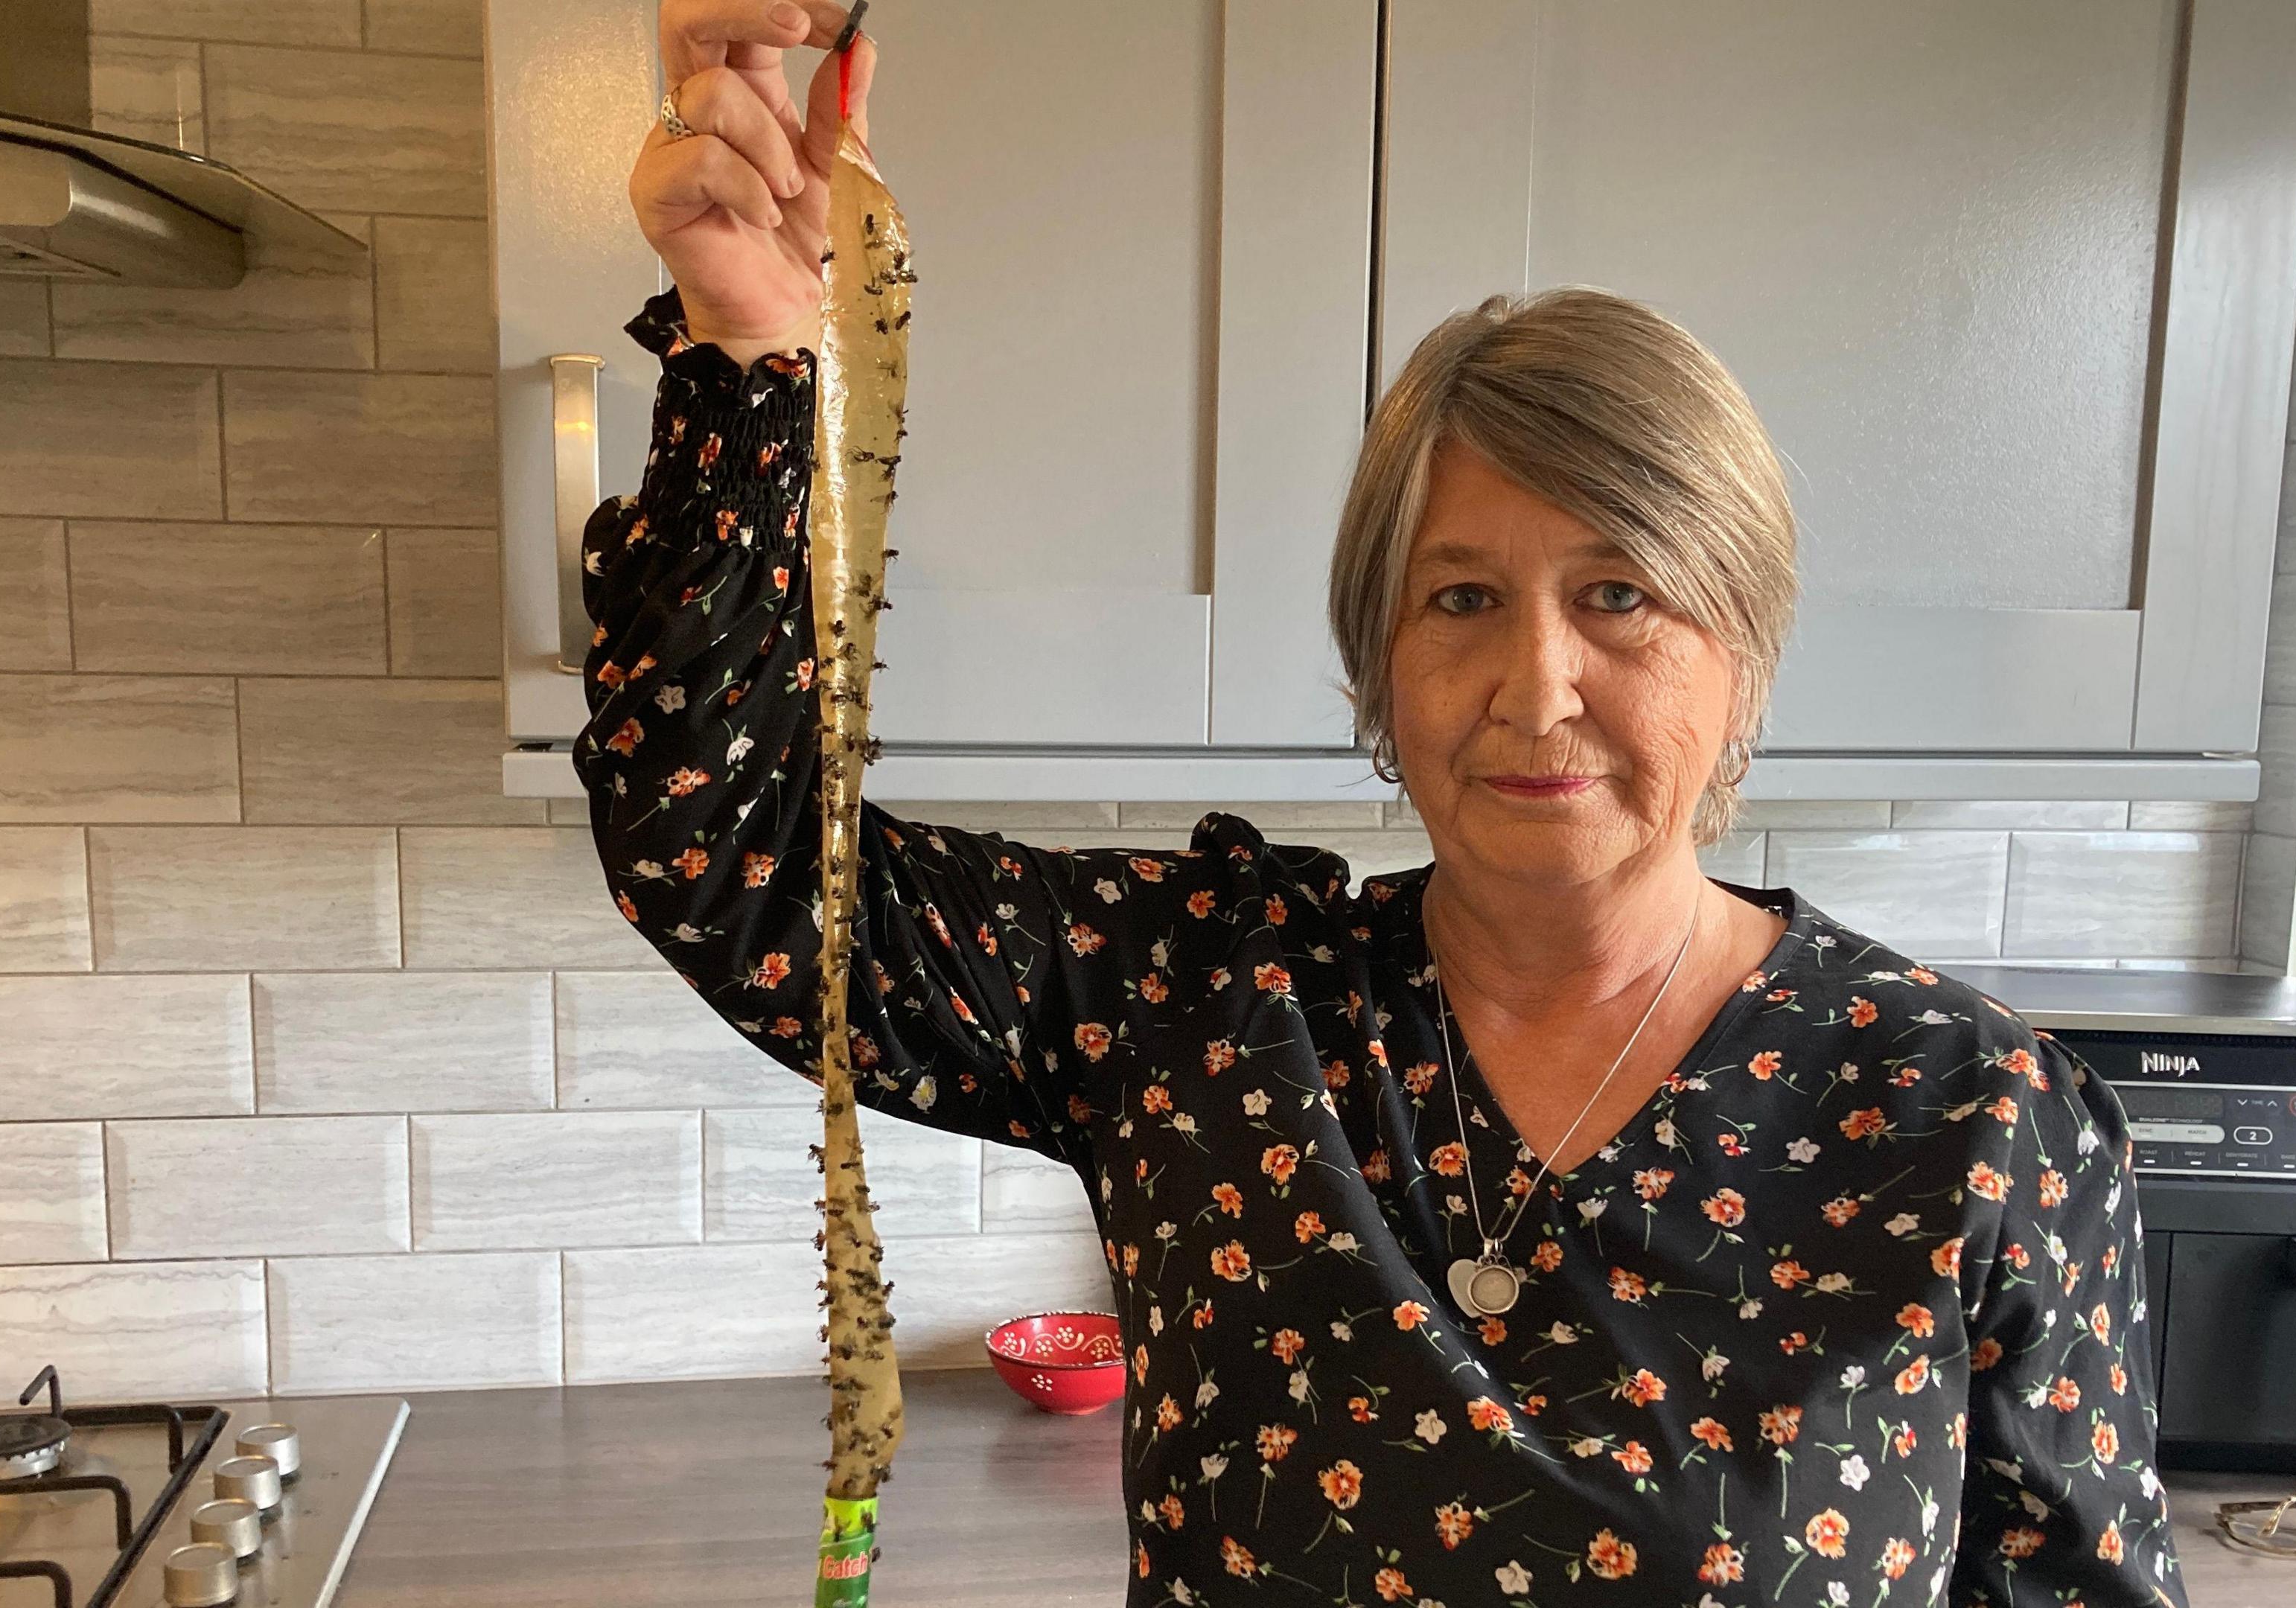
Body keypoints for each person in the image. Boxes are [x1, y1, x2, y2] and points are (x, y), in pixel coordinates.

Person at [581, 4, 2181, 1603]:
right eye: (1462, 598)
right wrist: (751, 349)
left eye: (1622, 595)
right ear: (1377, 662)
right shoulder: (1203, 1004)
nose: (1536, 688)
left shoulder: (1974, 1123)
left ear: (1745, 658)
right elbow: (736, 865)